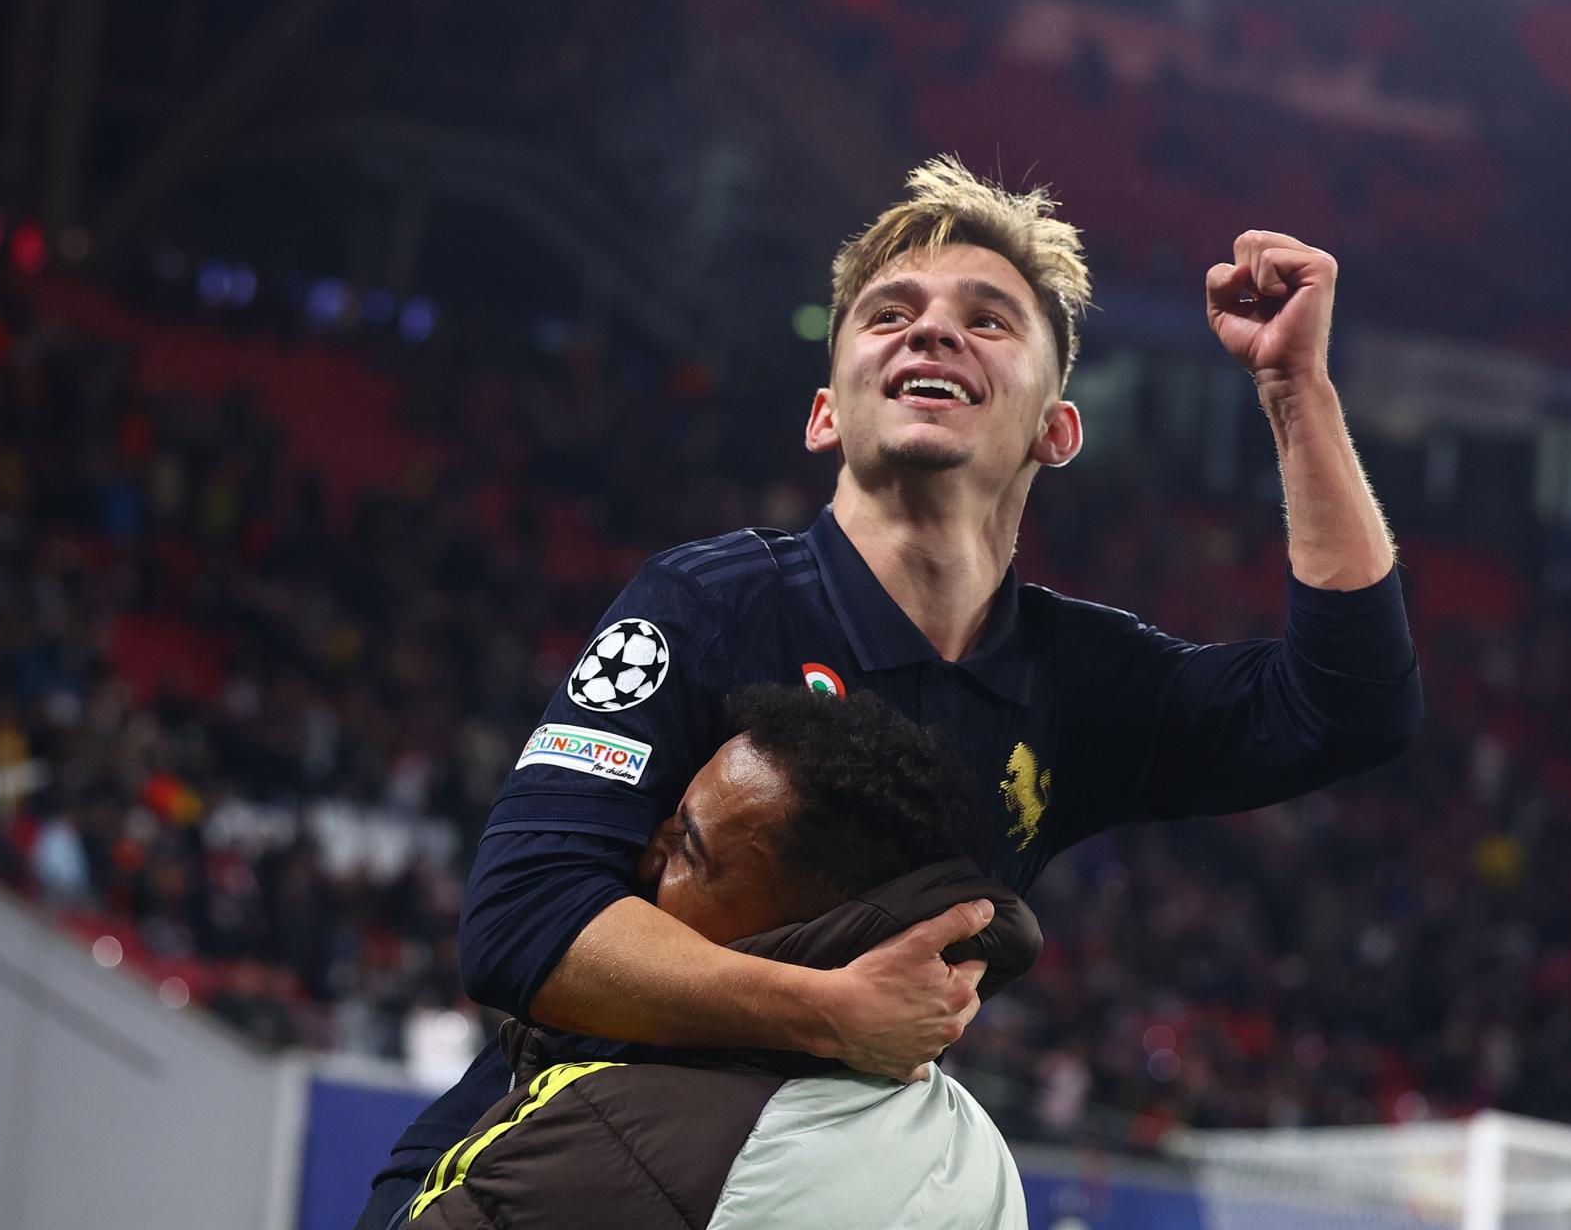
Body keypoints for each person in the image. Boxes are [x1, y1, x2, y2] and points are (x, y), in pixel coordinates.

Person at [357, 157, 1423, 1225]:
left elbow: (1349, 702)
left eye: (989, 320)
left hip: (800, 1181)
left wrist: (1296, 394)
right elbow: (519, 918)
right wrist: (827, 1011)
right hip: (545, 1164)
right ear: (827, 413)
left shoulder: (1078, 681)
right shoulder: (709, 601)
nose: (932, 330)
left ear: (1055, 430)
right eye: (891, 312)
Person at [402, 684, 1041, 1229]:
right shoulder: (980, 1154)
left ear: (811, 929)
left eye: (688, 848)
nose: (647, 856)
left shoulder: (608, 1136)